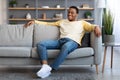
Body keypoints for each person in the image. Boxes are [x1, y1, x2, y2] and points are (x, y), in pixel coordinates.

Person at [24, 6, 101, 78]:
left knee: (66, 46)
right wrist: (35, 21)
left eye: (72, 12)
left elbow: (92, 27)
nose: (69, 14)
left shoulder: (82, 23)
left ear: (77, 14)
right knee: (41, 44)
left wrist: (97, 27)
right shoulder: (62, 22)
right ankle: (45, 66)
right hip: (60, 41)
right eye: (68, 12)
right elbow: (48, 23)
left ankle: (51, 68)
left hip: (73, 42)